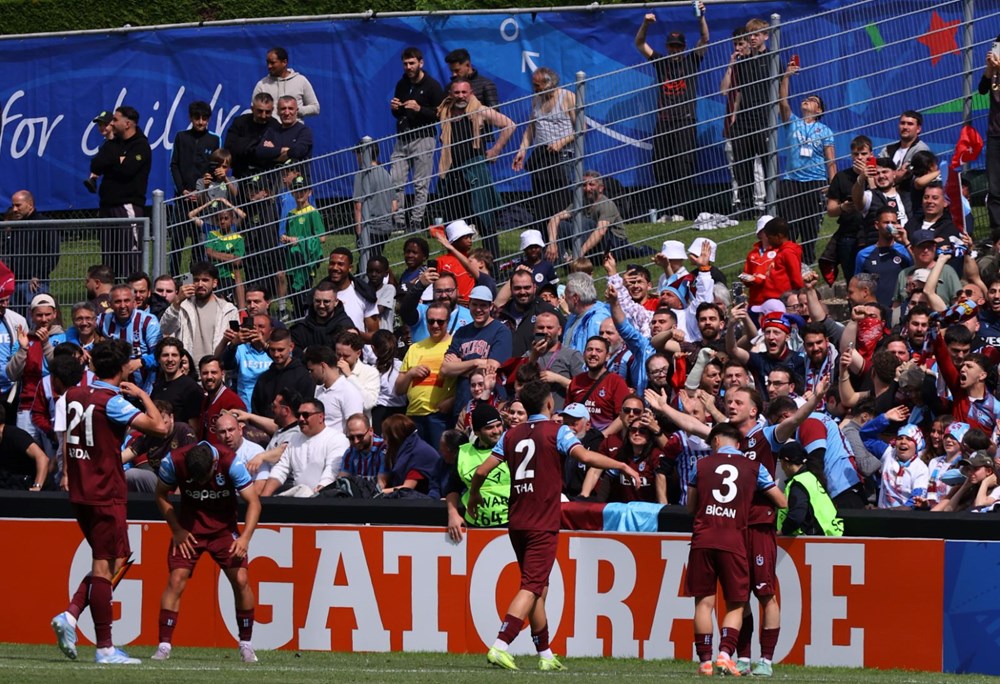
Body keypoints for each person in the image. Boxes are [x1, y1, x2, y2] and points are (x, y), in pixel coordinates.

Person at [467, 380, 640, 671]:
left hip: (517, 519)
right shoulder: (556, 431)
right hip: (542, 520)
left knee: (538, 588)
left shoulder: (510, 435)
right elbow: (584, 456)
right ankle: (500, 644)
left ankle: (545, 654)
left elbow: (482, 471)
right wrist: (621, 465)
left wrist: (472, 500)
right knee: (532, 585)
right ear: (549, 405)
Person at [51, 339, 167, 665]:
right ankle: (104, 647)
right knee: (106, 566)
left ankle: (71, 615)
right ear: (121, 369)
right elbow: (158, 427)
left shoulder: (73, 394)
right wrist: (143, 396)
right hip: (106, 492)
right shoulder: (112, 402)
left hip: (80, 491)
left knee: (117, 558)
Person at [686, 422, 786, 677]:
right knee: (737, 603)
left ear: (716, 441)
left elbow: (691, 507)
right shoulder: (754, 467)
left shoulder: (700, 466)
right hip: (734, 539)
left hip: (703, 538)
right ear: (738, 444)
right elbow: (781, 501)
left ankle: (705, 661)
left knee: (703, 603)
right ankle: (725, 654)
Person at [151, 438, 261, 662]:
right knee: (176, 580)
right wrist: (176, 529)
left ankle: (246, 644)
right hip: (189, 530)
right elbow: (161, 495)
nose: (201, 484)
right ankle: (163, 645)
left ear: (214, 463)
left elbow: (254, 503)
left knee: (241, 579)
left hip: (224, 531)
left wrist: (245, 538)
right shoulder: (173, 461)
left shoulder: (231, 462)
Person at [634, 5, 709, 220]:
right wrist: (645, 24)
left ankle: (680, 211)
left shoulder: (692, 61)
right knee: (662, 166)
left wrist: (701, 16)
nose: (675, 51)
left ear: (684, 47)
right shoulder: (661, 62)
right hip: (664, 121)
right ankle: (666, 211)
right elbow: (639, 43)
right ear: (667, 47)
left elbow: (705, 39)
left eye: (678, 47)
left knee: (682, 167)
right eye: (671, 47)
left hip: (685, 121)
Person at [436, 77, 515, 260]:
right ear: (451, 94)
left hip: (475, 172)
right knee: (453, 224)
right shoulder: (445, 111)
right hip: (453, 172)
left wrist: (496, 149)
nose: (461, 96)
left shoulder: (479, 109)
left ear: (471, 93)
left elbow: (509, 125)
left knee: (485, 222)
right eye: (457, 93)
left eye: (464, 92)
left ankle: (492, 265)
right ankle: (455, 264)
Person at [777, 63, 836, 263]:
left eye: (811, 101)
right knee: (789, 224)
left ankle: (808, 260)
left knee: (810, 225)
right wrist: (786, 76)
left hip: (816, 182)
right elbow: (783, 102)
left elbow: (831, 161)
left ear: (818, 110)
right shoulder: (793, 122)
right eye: (805, 99)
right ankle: (789, 258)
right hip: (791, 181)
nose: (806, 101)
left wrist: (832, 186)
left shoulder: (825, 131)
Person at [89, 106, 151, 278]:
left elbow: (127, 171)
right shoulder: (111, 144)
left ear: (128, 123)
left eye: (116, 120)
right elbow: (95, 165)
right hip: (107, 207)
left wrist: (111, 161)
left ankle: (133, 295)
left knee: (129, 256)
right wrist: (118, 159)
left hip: (127, 206)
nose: (112, 123)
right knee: (109, 257)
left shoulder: (141, 145)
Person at [512, 67, 577, 228]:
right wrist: (522, 149)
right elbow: (531, 127)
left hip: (563, 156)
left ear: (549, 83)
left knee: (560, 200)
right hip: (541, 155)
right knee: (541, 200)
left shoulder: (567, 97)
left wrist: (561, 142)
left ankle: (563, 239)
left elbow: (582, 128)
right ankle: (544, 238)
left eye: (537, 85)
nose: (535, 89)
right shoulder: (537, 99)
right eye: (534, 85)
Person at [390, 47, 445, 232]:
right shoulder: (401, 84)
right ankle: (398, 221)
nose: (408, 67)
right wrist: (396, 108)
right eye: (405, 64)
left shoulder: (432, 86)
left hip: (423, 137)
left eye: (412, 63)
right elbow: (398, 114)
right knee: (395, 180)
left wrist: (420, 108)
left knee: (421, 183)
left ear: (421, 63)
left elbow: (440, 114)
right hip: (403, 137)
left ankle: (416, 222)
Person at [547, 170, 653, 262]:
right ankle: (559, 263)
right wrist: (552, 243)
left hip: (614, 244)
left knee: (583, 222)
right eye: (584, 185)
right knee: (561, 224)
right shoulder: (580, 203)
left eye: (591, 185)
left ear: (601, 188)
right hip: (591, 243)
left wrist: (578, 253)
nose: (587, 189)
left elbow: (600, 232)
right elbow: (555, 218)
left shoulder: (607, 204)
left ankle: (578, 259)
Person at [441, 285, 513, 421]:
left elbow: (492, 369)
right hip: (463, 405)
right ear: (469, 305)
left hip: (491, 404)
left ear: (491, 306)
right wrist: (477, 362)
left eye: (483, 305)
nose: (478, 309)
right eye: (474, 304)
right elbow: (445, 369)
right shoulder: (462, 332)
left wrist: (460, 366)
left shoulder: (501, 331)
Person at [397, 301, 457, 448]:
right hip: (414, 415)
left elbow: (466, 381)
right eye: (431, 321)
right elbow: (399, 389)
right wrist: (411, 373)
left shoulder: (456, 345)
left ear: (448, 322)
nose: (435, 325)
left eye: (440, 321)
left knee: (440, 460)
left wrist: (453, 401)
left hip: (439, 416)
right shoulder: (415, 348)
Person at [168, 101, 219, 274]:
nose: (200, 122)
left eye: (204, 118)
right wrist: (183, 190)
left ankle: (195, 279)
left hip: (202, 201)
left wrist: (202, 191)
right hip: (182, 200)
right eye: (197, 118)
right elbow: (174, 165)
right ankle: (174, 279)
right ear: (190, 117)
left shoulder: (214, 139)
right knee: (177, 242)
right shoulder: (181, 137)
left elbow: (215, 168)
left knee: (199, 243)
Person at [445, 403, 508, 541]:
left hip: (510, 525)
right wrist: (453, 513)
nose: (496, 431)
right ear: (477, 431)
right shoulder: (463, 452)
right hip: (475, 526)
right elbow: (452, 488)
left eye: (498, 425)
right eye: (489, 428)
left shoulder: (512, 448)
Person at [261, 398, 346, 497]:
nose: (301, 419)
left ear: (321, 417)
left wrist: (319, 496)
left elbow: (331, 472)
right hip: (299, 498)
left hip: (324, 500)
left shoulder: (336, 439)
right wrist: (264, 498)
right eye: (298, 415)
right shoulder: (294, 438)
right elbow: (281, 469)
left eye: (306, 415)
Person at [159, 261, 239, 364]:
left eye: (205, 280)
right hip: (187, 370)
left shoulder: (228, 310)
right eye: (196, 280)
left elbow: (233, 346)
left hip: (214, 371)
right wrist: (176, 302)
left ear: (214, 283)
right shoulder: (182, 306)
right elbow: (165, 329)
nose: (200, 284)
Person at [98, 283, 162, 393]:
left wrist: (141, 362)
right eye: (117, 301)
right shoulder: (103, 320)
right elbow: (76, 328)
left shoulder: (148, 322)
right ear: (110, 304)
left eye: (126, 300)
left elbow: (160, 354)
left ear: (134, 302)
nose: (123, 306)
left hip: (146, 389)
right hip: (115, 390)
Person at [4, 190, 60, 314]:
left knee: (36, 320)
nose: (14, 209)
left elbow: (53, 254)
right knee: (16, 322)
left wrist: (38, 275)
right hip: (14, 282)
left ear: (30, 204)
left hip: (34, 284)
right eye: (13, 205)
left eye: (18, 205)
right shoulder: (14, 226)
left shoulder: (44, 224)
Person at [776, 443, 844, 536]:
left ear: (786, 461)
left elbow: (796, 516)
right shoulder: (811, 477)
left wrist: (782, 532)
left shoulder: (799, 483)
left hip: (812, 540)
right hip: (828, 535)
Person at [251, 328, 316, 419]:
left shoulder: (303, 376)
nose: (276, 354)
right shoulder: (264, 379)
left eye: (280, 350)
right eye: (272, 350)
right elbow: (257, 410)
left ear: (291, 347)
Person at [353, 139, 397, 269]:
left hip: (370, 228)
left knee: (365, 264)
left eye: (357, 153)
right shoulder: (385, 173)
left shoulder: (361, 174)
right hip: (386, 227)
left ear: (363, 154)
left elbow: (358, 207)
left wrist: (359, 234)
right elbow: (394, 205)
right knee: (375, 259)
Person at [303, 345, 364, 432]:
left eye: (312, 370)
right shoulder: (318, 390)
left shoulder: (349, 392)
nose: (310, 374)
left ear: (323, 366)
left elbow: (355, 428)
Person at [380, 413, 444, 496]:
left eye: (385, 437)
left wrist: (380, 492)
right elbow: (383, 476)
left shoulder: (419, 453)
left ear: (395, 438)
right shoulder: (400, 451)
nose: (384, 441)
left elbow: (407, 488)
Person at [223, 93, 280, 180]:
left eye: (267, 112)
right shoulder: (240, 122)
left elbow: (277, 153)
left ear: (272, 110)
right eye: (260, 111)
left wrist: (246, 145)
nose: (263, 115)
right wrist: (259, 146)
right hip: (241, 174)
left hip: (265, 177)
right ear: (252, 109)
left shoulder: (275, 126)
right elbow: (230, 147)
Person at [253, 47, 320, 119]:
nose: (269, 66)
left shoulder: (301, 80)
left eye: (272, 63)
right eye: (267, 62)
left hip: (294, 129)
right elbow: (254, 109)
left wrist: (294, 110)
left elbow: (315, 108)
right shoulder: (262, 84)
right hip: (270, 129)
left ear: (284, 62)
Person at [198, 355, 246, 445]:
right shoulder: (205, 400)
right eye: (205, 373)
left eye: (214, 372)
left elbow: (238, 439)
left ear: (222, 373)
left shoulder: (232, 401)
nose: (209, 377)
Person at [980, 46, 1000, 231]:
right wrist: (989, 71)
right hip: (995, 134)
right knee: (994, 186)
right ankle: (997, 234)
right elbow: (982, 90)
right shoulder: (993, 71)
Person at [340, 413, 387, 481]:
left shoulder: (383, 449)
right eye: (351, 437)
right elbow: (342, 480)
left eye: (360, 436)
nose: (356, 441)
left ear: (371, 431)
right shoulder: (350, 452)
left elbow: (382, 484)